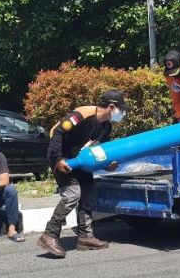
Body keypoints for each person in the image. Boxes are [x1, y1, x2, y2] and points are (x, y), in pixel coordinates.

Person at [37, 89, 130, 258]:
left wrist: (108, 164)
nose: (122, 113)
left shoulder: (106, 126)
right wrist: (58, 159)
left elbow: (100, 150)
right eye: (121, 109)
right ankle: (49, 235)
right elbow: (58, 132)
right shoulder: (83, 114)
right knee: (73, 194)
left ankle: (85, 237)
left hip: (82, 161)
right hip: (62, 158)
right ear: (111, 106)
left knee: (88, 194)